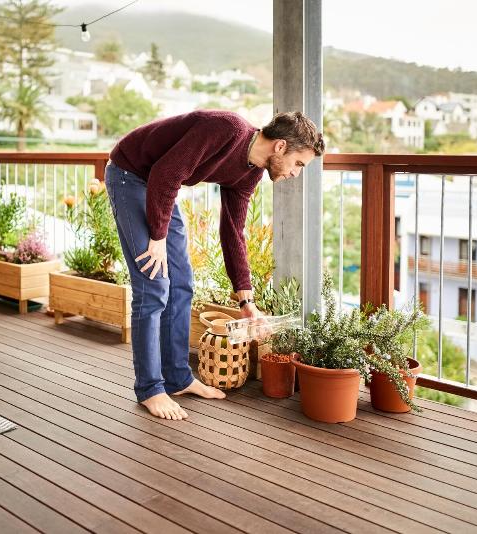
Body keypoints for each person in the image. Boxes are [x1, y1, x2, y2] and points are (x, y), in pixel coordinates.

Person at [105, 110, 324, 420]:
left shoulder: (250, 173)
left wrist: (246, 301)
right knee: (153, 285)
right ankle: (150, 388)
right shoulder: (227, 129)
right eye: (298, 163)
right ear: (280, 146)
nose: (295, 173)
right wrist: (157, 237)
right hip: (131, 174)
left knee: (182, 284)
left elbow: (233, 232)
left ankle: (177, 378)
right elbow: (166, 172)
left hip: (160, 186)